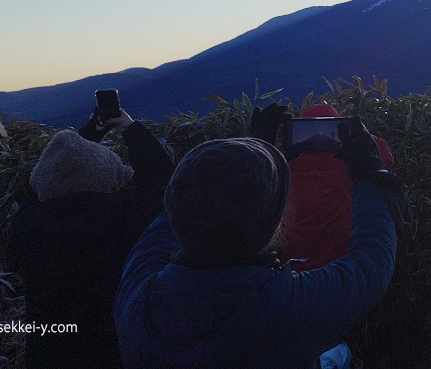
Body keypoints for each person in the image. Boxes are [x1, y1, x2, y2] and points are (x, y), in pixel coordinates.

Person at [114, 121, 397, 369]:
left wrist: (253, 148)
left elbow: (185, 205)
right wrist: (369, 176)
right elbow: (372, 262)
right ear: (274, 224)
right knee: (340, 353)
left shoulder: (138, 296)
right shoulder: (293, 308)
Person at [9, 107, 173, 369]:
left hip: (49, 353)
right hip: (115, 350)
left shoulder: (27, 226)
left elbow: (44, 180)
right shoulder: (127, 218)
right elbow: (161, 177)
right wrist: (130, 127)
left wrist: (83, 139)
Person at [281, 103, 395, 270]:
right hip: (342, 265)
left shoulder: (284, 163)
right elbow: (383, 157)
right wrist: (362, 134)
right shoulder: (348, 163)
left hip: (294, 267)